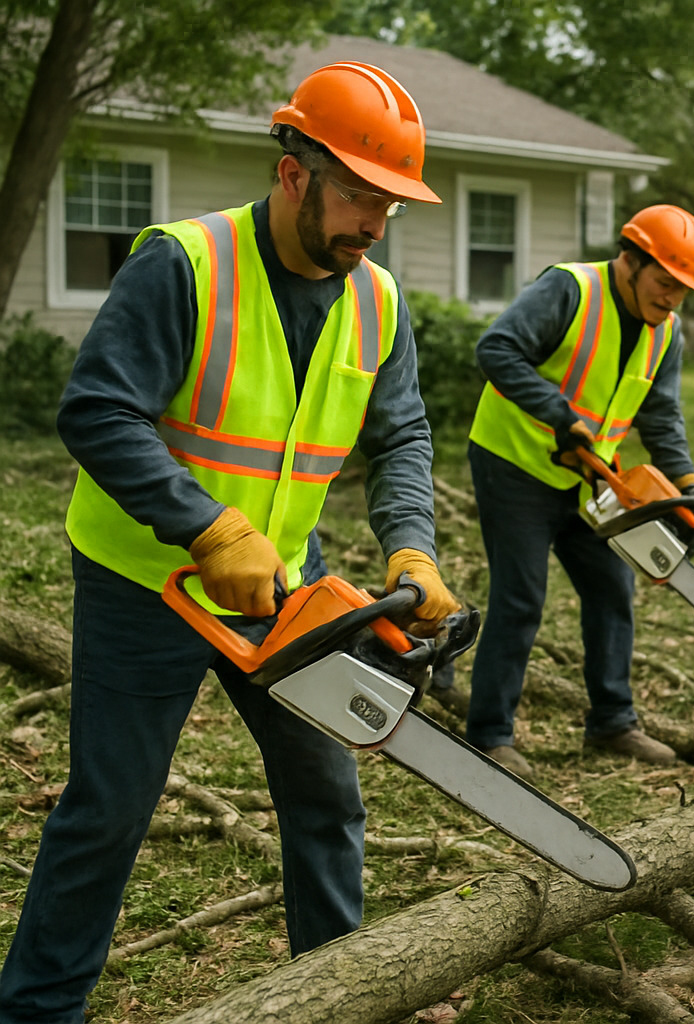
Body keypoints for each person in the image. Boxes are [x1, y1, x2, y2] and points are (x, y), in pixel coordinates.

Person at [0, 62, 460, 1021]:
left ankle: (341, 989)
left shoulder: (377, 302)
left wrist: (411, 546)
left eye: (391, 206)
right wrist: (206, 524)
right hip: (146, 580)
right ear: (294, 172)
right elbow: (97, 410)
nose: (374, 224)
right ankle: (38, 1011)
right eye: (359, 198)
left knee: (325, 789)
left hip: (287, 580)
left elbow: (403, 435)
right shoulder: (185, 263)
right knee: (110, 810)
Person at [457, 205, 694, 776]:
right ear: (630, 261)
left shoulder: (666, 331)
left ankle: (612, 723)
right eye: (664, 282)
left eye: (682, 289)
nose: (672, 297)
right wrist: (558, 414)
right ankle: (490, 734)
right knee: (522, 597)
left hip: (590, 477)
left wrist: (689, 483)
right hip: (514, 463)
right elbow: (496, 348)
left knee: (611, 588)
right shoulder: (570, 290)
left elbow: (662, 414)